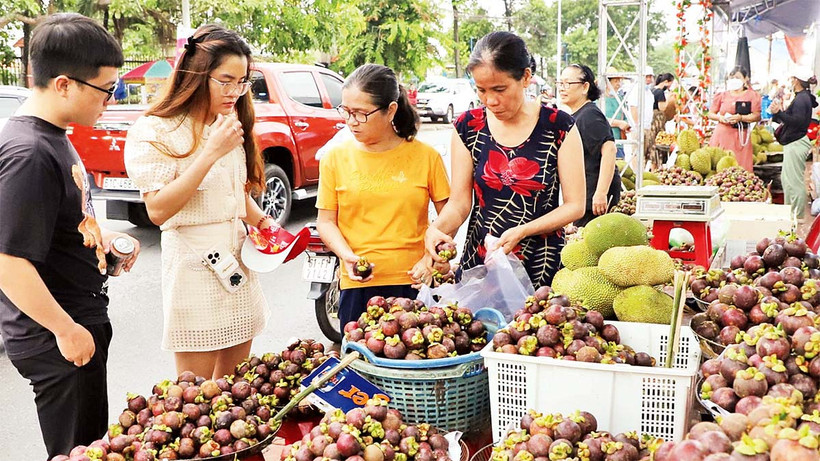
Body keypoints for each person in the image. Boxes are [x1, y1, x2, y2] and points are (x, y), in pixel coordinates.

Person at [0, 14, 140, 458]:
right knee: (76, 450)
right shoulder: (28, 151)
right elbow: (7, 260)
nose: (111, 101)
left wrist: (103, 238)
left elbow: (56, 225)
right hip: (58, 333)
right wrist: (66, 330)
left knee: (90, 442)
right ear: (64, 84)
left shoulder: (54, 136)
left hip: (77, 321)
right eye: (107, 89)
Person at [124, 24, 269, 379]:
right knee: (198, 395)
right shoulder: (157, 129)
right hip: (192, 267)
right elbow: (158, 210)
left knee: (238, 389)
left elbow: (235, 190)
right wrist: (209, 152)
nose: (235, 91)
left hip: (238, 262)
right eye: (226, 80)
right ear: (197, 75)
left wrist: (265, 226)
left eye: (242, 81)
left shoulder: (229, 120)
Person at [424, 31, 586, 289]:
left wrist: (523, 230)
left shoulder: (559, 126)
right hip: (481, 264)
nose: (491, 100)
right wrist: (437, 229)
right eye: (482, 90)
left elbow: (575, 206)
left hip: (540, 264)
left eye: (500, 89)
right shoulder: (468, 127)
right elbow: (459, 203)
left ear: (525, 77)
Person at [316, 63, 450, 334]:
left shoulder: (426, 157)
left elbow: (449, 216)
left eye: (361, 113)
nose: (351, 121)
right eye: (346, 111)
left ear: (391, 110)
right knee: (360, 368)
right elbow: (326, 222)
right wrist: (347, 256)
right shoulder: (335, 158)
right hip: (358, 285)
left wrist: (431, 260)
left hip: (414, 281)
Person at [559, 64, 620, 227]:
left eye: (567, 84)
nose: (562, 88)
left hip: (594, 200)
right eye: (560, 83)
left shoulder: (589, 115)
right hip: (584, 197)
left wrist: (601, 193)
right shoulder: (578, 115)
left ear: (585, 86)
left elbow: (609, 150)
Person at [770, 67, 818, 220]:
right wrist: (778, 114)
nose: (789, 81)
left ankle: (797, 215)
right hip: (795, 141)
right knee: (787, 179)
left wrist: (779, 113)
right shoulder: (802, 97)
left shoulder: (802, 98)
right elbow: (792, 119)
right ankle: (790, 213)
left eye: (791, 78)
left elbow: (796, 121)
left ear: (796, 80)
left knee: (794, 181)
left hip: (796, 142)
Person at [707, 66, 762, 172]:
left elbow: (757, 116)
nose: (734, 80)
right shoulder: (722, 95)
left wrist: (741, 117)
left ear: (746, 79)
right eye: (731, 77)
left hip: (740, 136)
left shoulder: (752, 95)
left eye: (737, 77)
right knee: (719, 165)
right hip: (722, 134)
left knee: (740, 167)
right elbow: (710, 114)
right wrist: (720, 118)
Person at [629, 67, 656, 162]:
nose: (648, 79)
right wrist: (637, 126)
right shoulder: (636, 90)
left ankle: (641, 172)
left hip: (647, 126)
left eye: (650, 77)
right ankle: (637, 174)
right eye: (646, 77)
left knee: (644, 153)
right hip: (638, 127)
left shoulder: (649, 93)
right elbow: (633, 109)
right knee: (637, 153)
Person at [603, 67, 630, 158]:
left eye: (619, 81)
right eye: (615, 81)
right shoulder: (599, 101)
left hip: (619, 143)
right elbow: (598, 120)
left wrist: (626, 125)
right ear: (607, 82)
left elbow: (625, 118)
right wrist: (618, 123)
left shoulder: (621, 99)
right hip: (604, 142)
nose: (618, 84)